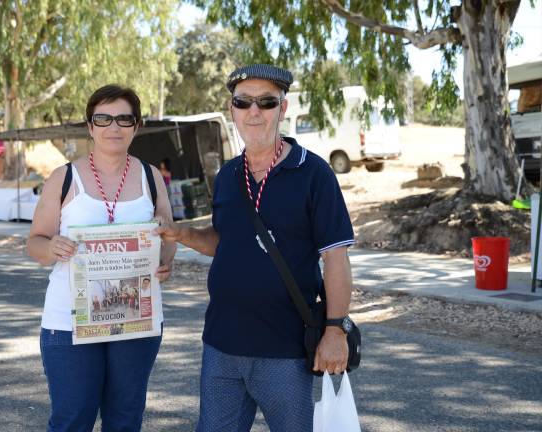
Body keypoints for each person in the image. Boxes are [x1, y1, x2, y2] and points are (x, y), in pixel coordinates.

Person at [155, 64, 356, 432]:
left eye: (266, 102)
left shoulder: (314, 174)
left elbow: (336, 258)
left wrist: (335, 330)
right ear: (231, 109)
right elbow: (225, 242)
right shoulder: (228, 176)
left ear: (283, 107)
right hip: (221, 347)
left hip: (285, 353)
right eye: (243, 101)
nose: (254, 111)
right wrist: (181, 235)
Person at [26, 84, 177, 432]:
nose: (114, 127)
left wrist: (165, 258)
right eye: (103, 118)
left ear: (136, 126)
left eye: (124, 119)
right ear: (90, 126)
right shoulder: (64, 178)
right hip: (70, 321)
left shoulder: (151, 177)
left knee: (125, 420)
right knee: (72, 420)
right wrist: (50, 248)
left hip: (136, 319)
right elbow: (34, 242)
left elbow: (168, 235)